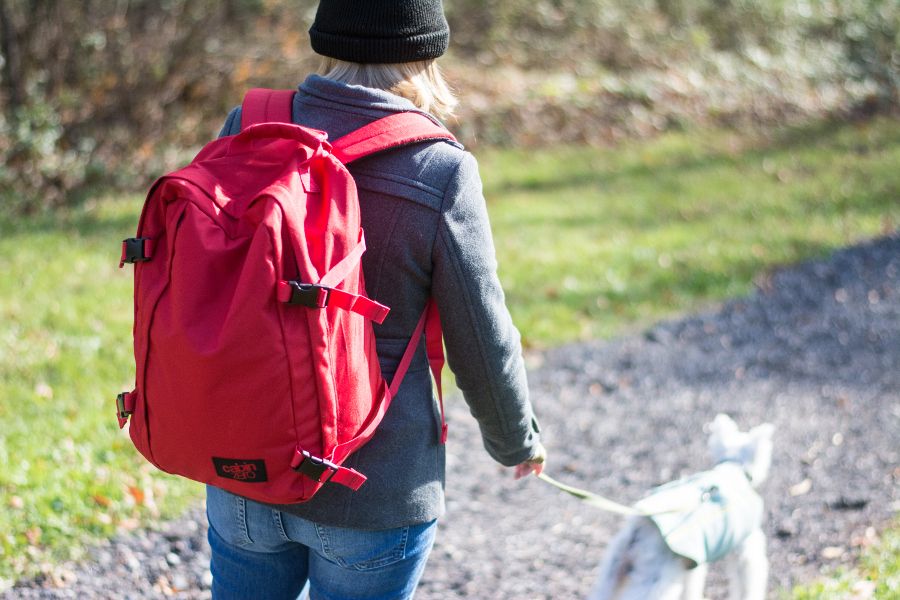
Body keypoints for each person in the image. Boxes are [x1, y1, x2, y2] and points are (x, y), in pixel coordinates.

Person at [205, 1, 546, 598]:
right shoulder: (439, 169)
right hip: (376, 488)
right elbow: (481, 335)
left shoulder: (249, 126)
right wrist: (516, 440)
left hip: (245, 469)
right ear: (426, 48)